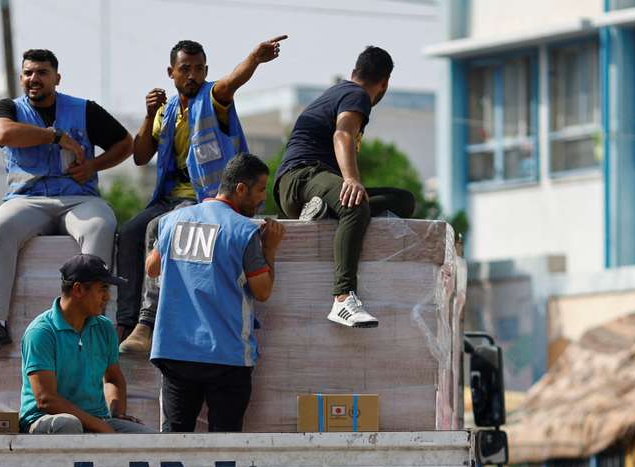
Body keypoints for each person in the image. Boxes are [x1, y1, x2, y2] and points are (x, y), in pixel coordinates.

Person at [117, 35, 286, 356]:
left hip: (207, 199)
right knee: (129, 233)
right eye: (185, 69)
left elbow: (231, 82)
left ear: (206, 70)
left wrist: (254, 57)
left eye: (198, 69)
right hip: (170, 196)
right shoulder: (165, 112)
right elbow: (140, 156)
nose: (192, 75)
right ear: (171, 73)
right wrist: (148, 114)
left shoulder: (214, 98)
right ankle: (125, 324)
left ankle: (147, 322)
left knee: (159, 229)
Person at [0, 48, 134, 352]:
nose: (33, 78)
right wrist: (54, 136)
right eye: (28, 73)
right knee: (1, 225)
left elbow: (125, 143)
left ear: (57, 78)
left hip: (77, 198)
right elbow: (2, 134)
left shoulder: (84, 109)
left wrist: (93, 166)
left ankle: (93, 320)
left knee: (100, 225)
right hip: (27, 199)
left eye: (42, 72)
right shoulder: (9, 108)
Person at [273, 46, 414, 329]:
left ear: (354, 71)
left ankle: (323, 212)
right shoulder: (357, 95)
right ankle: (342, 298)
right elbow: (343, 133)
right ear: (384, 84)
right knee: (355, 202)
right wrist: (350, 178)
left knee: (402, 200)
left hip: (307, 183)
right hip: (301, 177)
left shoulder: (338, 91)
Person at [145, 153, 283, 432]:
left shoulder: (173, 220)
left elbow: (152, 267)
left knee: (175, 443)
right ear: (240, 189)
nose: (261, 200)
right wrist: (270, 249)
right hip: (226, 354)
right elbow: (263, 290)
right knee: (224, 447)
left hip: (175, 350)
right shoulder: (244, 230)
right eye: (259, 191)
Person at [19, 254, 154, 434]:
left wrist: (117, 414)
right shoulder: (41, 332)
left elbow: (113, 378)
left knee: (149, 438)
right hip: (43, 419)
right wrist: (100, 426)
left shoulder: (104, 327)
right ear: (78, 289)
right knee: (69, 424)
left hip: (96, 420)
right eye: (103, 289)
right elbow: (46, 400)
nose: (107, 297)